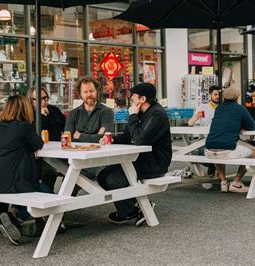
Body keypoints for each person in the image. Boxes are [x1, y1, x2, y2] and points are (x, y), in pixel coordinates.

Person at [96, 83, 172, 226]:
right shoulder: (141, 113)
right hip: (139, 159)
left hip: (155, 162)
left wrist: (132, 116)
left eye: (133, 96)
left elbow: (140, 140)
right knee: (103, 176)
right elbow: (127, 135)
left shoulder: (157, 114)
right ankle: (133, 208)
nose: (131, 99)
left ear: (142, 99)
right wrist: (112, 139)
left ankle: (130, 211)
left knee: (113, 179)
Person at [0, 95, 45, 245]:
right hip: (10, 182)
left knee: (28, 186)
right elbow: (38, 144)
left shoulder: (0, 126)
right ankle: (14, 218)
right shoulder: (24, 127)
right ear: (25, 109)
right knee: (43, 189)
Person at [205, 87, 255, 193]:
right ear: (237, 98)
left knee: (218, 149)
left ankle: (223, 182)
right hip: (226, 151)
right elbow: (252, 127)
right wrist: (241, 125)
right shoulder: (240, 108)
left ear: (224, 97)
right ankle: (236, 183)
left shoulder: (218, 108)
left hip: (208, 150)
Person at [27, 87, 66, 191]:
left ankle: (51, 193)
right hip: (35, 152)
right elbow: (30, 132)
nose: (43, 102)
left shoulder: (54, 110)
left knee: (51, 169)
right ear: (31, 101)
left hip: (56, 150)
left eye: (45, 98)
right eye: (39, 99)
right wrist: (41, 116)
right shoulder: (27, 114)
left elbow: (66, 127)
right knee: (43, 169)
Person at [65, 76, 114, 142]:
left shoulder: (107, 112)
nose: (89, 94)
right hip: (77, 151)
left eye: (91, 91)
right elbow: (68, 139)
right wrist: (97, 136)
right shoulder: (73, 114)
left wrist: (80, 136)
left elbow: (106, 138)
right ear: (80, 94)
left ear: (97, 91)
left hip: (100, 151)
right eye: (85, 92)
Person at [186, 85, 220, 176]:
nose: (217, 97)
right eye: (215, 94)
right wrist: (197, 117)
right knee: (202, 154)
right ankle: (213, 166)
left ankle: (216, 169)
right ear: (210, 95)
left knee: (220, 152)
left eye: (219, 95)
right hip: (204, 139)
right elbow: (190, 123)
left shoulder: (222, 108)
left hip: (218, 138)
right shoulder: (203, 107)